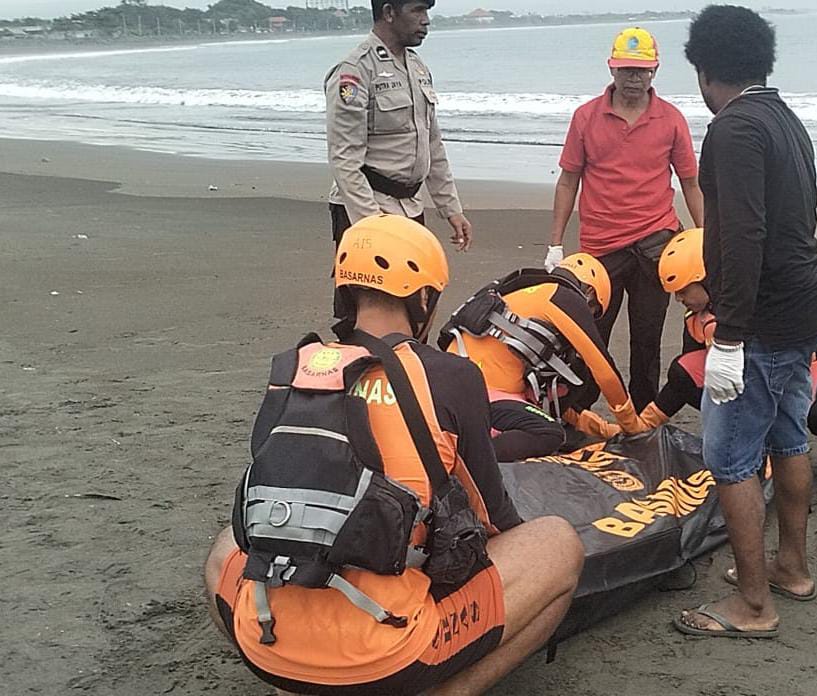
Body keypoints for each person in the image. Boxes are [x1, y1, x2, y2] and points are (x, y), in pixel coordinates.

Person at [204, 215, 584, 693]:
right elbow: (494, 517)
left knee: (224, 546)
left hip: (266, 643)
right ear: (424, 299)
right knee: (558, 542)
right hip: (389, 653)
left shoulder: (292, 368)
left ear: (344, 293)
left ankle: (292, 682)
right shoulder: (449, 376)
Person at [674, 6, 817, 639]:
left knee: (730, 456)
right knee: (788, 437)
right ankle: (791, 567)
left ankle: (752, 604)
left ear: (704, 69)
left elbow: (742, 235)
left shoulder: (734, 127)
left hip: (764, 318)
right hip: (804, 304)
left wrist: (729, 336)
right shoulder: (782, 115)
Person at [545, 27, 704, 410]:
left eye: (642, 70)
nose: (634, 78)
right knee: (590, 336)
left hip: (656, 243)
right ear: (612, 69)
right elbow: (568, 181)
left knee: (648, 338)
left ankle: (644, 416)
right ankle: (577, 410)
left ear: (655, 71)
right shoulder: (586, 117)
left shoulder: (671, 119)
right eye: (627, 70)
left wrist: (705, 238)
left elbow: (691, 183)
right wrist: (555, 244)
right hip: (600, 249)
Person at [648, 228, 817, 484]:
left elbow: (814, 342)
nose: (678, 299)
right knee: (684, 371)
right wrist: (645, 423)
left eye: (682, 291)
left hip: (803, 364)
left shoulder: (768, 295)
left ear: (705, 277)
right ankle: (761, 441)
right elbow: (687, 376)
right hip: (752, 375)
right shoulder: (697, 317)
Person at [439, 253, 649, 461]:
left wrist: (601, 428)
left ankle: (467, 448)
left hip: (450, 387)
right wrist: (633, 427)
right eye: (593, 311)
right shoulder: (563, 298)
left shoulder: (521, 291)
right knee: (549, 433)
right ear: (590, 292)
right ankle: (467, 460)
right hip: (483, 394)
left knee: (569, 376)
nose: (589, 317)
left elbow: (551, 397)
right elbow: (604, 370)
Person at [325, 0, 472, 252]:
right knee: (366, 280)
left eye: (426, 11)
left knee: (419, 277)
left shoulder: (417, 67)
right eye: (417, 10)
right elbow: (344, 160)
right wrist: (373, 224)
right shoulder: (355, 71)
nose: (426, 20)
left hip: (410, 207)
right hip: (366, 207)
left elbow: (432, 144)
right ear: (389, 13)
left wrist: (451, 208)